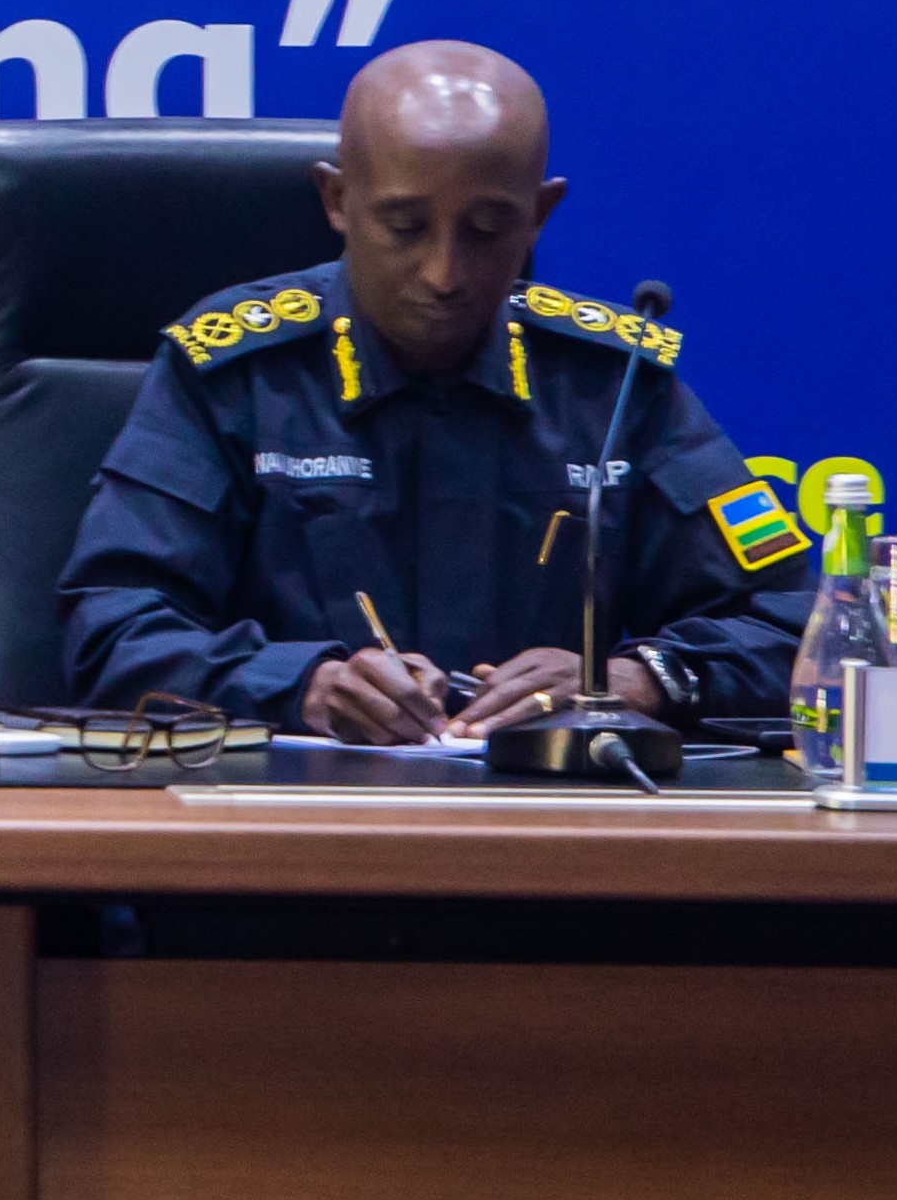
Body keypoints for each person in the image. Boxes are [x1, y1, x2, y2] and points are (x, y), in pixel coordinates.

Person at [60, 39, 808, 742]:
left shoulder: (612, 387)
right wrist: (305, 687)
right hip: (288, 815)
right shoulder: (236, 375)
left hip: (546, 817)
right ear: (336, 199)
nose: (444, 273)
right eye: (405, 226)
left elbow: (800, 628)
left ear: (540, 214)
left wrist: (633, 679)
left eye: (486, 230)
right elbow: (113, 632)